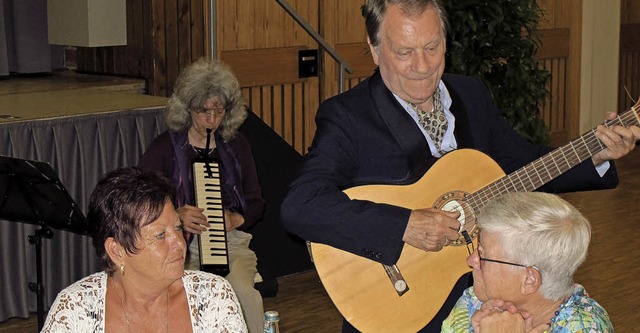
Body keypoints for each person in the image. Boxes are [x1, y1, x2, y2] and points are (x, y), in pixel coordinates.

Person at [280, 0, 640, 332]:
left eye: (433, 47)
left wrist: (595, 154)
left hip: (486, 301)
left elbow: (523, 167)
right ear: (375, 50)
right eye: (405, 52)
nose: (422, 66)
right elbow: (301, 205)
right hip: (399, 306)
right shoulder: (348, 116)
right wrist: (404, 225)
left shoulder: (470, 94)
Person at [138, 58, 266, 333]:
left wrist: (235, 219)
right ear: (186, 108)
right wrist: (175, 217)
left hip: (230, 243)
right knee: (183, 296)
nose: (211, 120)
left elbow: (256, 203)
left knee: (244, 295)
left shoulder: (237, 146)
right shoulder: (164, 148)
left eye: (218, 111)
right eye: (203, 111)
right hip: (174, 242)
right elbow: (139, 201)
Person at [41, 168, 247, 332]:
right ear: (116, 251)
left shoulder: (213, 298)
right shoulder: (76, 310)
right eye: (160, 235)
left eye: (177, 227)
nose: (179, 242)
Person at [441, 192, 613, 333]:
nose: (471, 261)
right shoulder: (476, 300)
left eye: (482, 256)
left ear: (529, 280)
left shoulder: (585, 327)